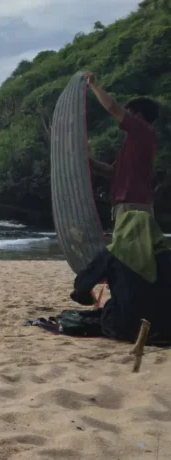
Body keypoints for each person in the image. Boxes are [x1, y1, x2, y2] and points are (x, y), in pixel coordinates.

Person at [70, 210, 171, 342]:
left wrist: (87, 299)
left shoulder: (111, 254)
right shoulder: (167, 255)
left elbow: (81, 285)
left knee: (110, 309)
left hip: (125, 327)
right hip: (165, 328)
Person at [83, 72, 160, 226]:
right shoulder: (136, 141)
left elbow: (112, 108)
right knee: (129, 250)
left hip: (133, 207)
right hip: (129, 206)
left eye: (129, 113)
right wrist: (88, 160)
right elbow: (113, 172)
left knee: (128, 250)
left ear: (138, 115)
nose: (125, 117)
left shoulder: (142, 130)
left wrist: (93, 85)